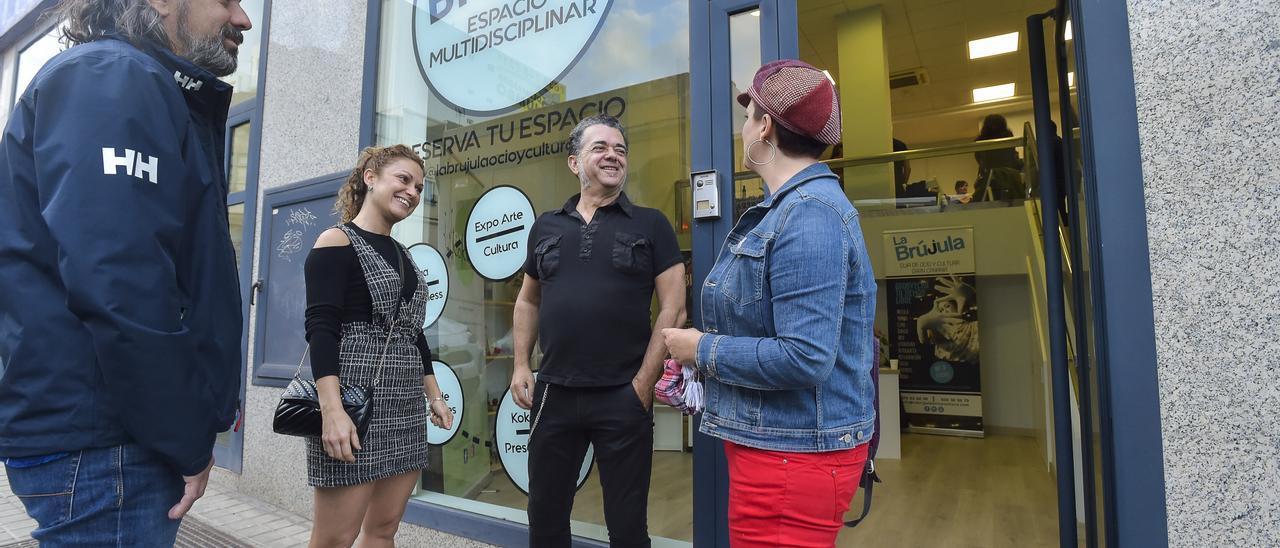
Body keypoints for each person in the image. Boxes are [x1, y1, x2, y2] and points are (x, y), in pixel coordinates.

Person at [0, 0, 252, 544]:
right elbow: (121, 283)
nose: (243, 19)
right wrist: (185, 438)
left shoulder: (121, 80)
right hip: (108, 446)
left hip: (102, 438)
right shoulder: (114, 77)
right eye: (226, 0)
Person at [661, 59, 877, 547]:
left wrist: (700, 349)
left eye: (747, 117)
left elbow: (805, 357)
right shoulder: (794, 211)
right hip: (785, 450)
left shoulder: (809, 217)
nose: (741, 130)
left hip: (793, 461)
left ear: (765, 128)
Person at [510, 114, 686, 547]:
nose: (613, 155)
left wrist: (643, 384)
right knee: (545, 518)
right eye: (600, 148)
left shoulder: (651, 224)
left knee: (627, 527)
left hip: (622, 394)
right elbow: (527, 300)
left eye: (620, 149)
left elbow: (674, 307)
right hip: (553, 393)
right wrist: (519, 365)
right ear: (575, 163)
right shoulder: (546, 227)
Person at [302, 145, 454, 547]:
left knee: (383, 530)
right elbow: (321, 329)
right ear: (370, 177)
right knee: (335, 538)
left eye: (419, 187)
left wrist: (434, 396)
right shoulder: (336, 241)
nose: (413, 192)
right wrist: (331, 411)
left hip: (404, 407)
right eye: (403, 179)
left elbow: (412, 332)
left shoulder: (405, 256)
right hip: (354, 404)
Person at [973, 114, 1024, 201]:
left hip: (989, 182)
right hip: (1010, 181)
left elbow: (981, 162)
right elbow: (1013, 159)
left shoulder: (980, 142)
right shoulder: (1008, 139)